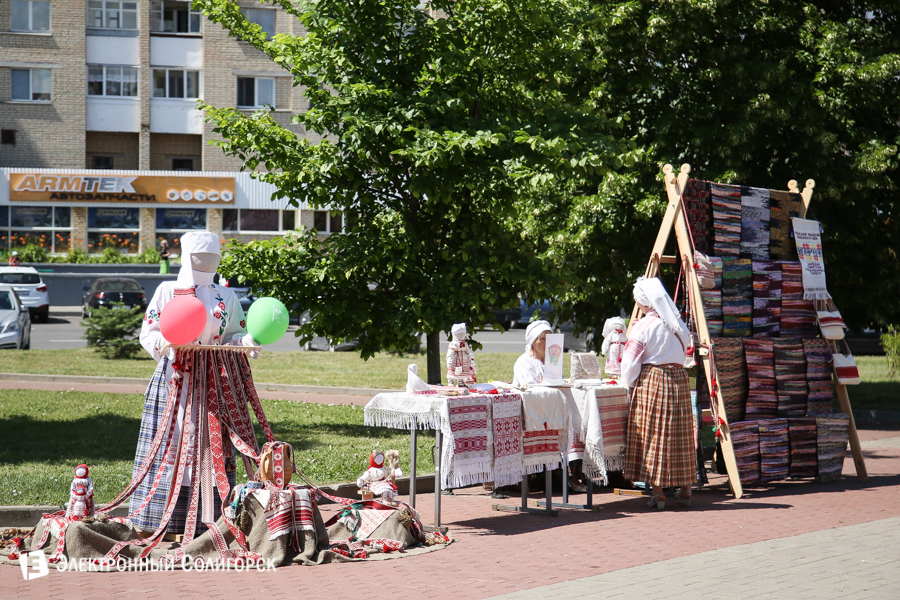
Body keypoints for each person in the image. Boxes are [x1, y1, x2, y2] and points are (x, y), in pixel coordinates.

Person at [130, 231, 257, 535]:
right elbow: (149, 332)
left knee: (210, 444)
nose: (205, 263)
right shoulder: (167, 290)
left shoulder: (225, 295)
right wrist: (169, 344)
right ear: (187, 256)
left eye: (211, 257)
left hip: (214, 380)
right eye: (200, 257)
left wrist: (246, 340)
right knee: (170, 442)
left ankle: (208, 522)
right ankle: (156, 521)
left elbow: (231, 337)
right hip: (175, 379)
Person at [622, 276, 696, 510]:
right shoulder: (678, 325)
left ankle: (658, 492)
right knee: (679, 435)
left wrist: (629, 383)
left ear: (644, 302)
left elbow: (630, 363)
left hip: (654, 381)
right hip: (679, 380)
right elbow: (685, 353)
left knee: (654, 435)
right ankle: (685, 490)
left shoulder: (644, 326)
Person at [512, 320, 553, 387]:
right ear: (533, 342)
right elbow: (532, 392)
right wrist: (548, 374)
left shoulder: (552, 359)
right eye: (542, 339)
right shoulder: (524, 362)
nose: (547, 342)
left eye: (550, 338)